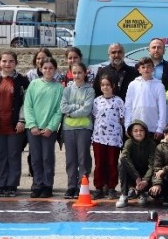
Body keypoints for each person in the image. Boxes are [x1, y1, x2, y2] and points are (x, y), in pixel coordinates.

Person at [0, 51, 29, 198]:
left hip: (15, 126)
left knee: (13, 155)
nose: (7, 64)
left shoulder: (23, 81)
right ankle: (1, 185)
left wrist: (22, 120)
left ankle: (12, 185)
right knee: (0, 156)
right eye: (4, 61)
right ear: (0, 63)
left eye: (10, 61)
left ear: (16, 63)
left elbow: (26, 103)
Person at [24, 57, 63, 198]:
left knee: (47, 158)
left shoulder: (59, 88)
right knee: (36, 158)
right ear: (40, 69)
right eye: (45, 68)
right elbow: (28, 105)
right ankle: (37, 184)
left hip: (49, 130)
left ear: (55, 70)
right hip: (33, 128)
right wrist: (32, 125)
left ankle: (47, 185)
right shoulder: (34, 84)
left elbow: (59, 110)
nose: (48, 70)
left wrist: (51, 127)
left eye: (51, 68)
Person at [60, 62, 97, 199]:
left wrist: (71, 112)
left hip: (84, 128)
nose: (77, 75)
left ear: (85, 73)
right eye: (74, 73)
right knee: (71, 159)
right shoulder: (67, 90)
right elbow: (63, 107)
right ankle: (71, 186)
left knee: (83, 158)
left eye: (79, 72)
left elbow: (86, 110)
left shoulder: (90, 90)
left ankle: (82, 185)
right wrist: (77, 106)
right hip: (68, 128)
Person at [91, 74, 125, 201]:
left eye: (108, 85)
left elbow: (122, 119)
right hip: (99, 137)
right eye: (103, 85)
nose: (105, 87)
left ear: (113, 86)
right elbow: (94, 117)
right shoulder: (96, 101)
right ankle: (99, 187)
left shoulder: (118, 101)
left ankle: (111, 187)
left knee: (112, 163)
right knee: (99, 163)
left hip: (113, 138)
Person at [124, 57, 167, 141]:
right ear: (139, 70)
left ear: (153, 68)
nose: (146, 69)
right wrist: (127, 126)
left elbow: (162, 108)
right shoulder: (133, 85)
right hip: (136, 127)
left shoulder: (159, 85)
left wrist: (160, 128)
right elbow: (128, 106)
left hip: (152, 128)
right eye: (143, 67)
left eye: (149, 66)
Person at [116, 120, 155, 208]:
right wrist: (136, 177)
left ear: (145, 132)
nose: (139, 133)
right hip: (133, 174)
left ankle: (143, 193)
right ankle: (124, 195)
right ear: (131, 132)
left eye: (141, 130)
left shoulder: (151, 144)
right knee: (122, 163)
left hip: (145, 174)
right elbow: (124, 157)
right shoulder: (128, 142)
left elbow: (152, 164)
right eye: (135, 131)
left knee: (155, 169)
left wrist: (145, 180)